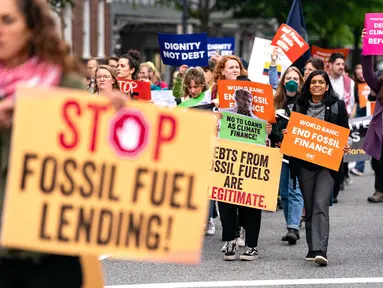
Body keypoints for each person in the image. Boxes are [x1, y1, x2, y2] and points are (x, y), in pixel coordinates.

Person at [0, 0, 88, 286]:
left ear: (32, 28)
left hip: (49, 250)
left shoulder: (65, 84)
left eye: (7, 20)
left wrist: (116, 118)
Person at [286, 70, 351, 266]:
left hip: (327, 165)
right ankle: (312, 247)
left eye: (320, 82)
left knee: (321, 204)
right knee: (310, 204)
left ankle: (321, 249)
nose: (316, 85)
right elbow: (293, 132)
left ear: (327, 86)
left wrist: (345, 144)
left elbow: (344, 132)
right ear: (308, 85)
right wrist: (288, 133)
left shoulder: (337, 106)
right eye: (313, 82)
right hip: (305, 163)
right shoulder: (299, 105)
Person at [218, 88, 272, 261]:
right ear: (234, 100)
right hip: (228, 167)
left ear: (251, 102)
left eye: (247, 100)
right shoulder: (224, 116)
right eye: (240, 99)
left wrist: (268, 133)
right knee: (226, 204)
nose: (243, 103)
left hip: (251, 168)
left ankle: (252, 246)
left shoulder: (260, 121)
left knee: (252, 206)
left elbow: (269, 143)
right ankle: (230, 240)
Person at [268, 66, 304, 245]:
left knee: (295, 189)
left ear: (300, 82)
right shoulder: (276, 103)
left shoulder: (305, 101)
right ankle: (291, 224)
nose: (292, 81)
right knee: (284, 193)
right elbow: (271, 129)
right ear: (283, 82)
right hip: (280, 152)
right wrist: (279, 135)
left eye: (296, 79)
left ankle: (293, 227)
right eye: (289, 78)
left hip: (298, 152)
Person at [360, 31, 383, 203]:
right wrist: (367, 46)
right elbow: (367, 72)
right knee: (378, 161)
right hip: (381, 131)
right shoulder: (379, 85)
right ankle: (379, 189)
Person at [350, 64, 368, 176]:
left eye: (362, 73)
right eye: (358, 74)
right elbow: (354, 102)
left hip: (373, 113)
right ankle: (359, 167)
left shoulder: (374, 83)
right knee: (361, 142)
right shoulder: (355, 86)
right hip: (361, 114)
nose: (361, 76)